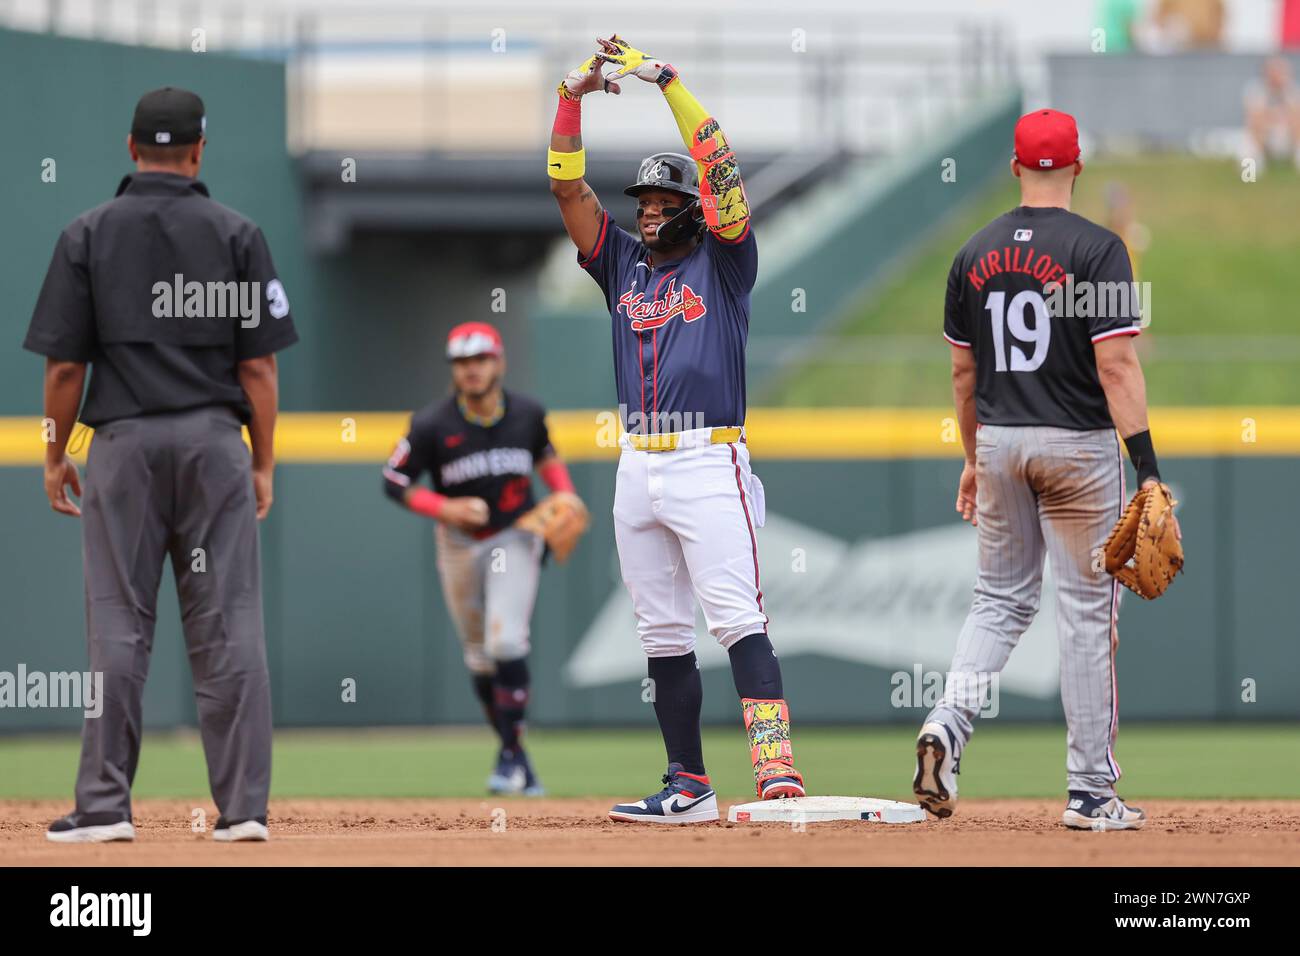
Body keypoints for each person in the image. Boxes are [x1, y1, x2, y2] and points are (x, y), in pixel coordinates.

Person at [25, 87, 298, 843]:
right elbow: (260, 373)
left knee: (118, 624)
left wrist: (55, 456)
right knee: (230, 623)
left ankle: (106, 808)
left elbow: (61, 371)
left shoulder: (87, 232)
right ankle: (243, 812)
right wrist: (264, 462)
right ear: (200, 150)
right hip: (214, 445)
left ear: (131, 145)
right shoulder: (237, 232)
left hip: (122, 447)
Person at [547, 36, 805, 825]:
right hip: (637, 463)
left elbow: (720, 164)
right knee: (660, 633)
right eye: (643, 205)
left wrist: (669, 82)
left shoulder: (726, 262)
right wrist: (571, 96)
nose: (647, 214)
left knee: (737, 621)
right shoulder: (621, 263)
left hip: (707, 456)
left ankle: (776, 771)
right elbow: (565, 189)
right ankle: (686, 782)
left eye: (662, 205)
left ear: (692, 211)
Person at [912, 109, 1180, 832]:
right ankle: (1091, 792)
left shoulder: (973, 253)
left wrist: (972, 459)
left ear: (1015, 168)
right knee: (1087, 614)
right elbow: (1117, 365)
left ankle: (946, 722)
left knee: (999, 600)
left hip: (1000, 441)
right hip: (1079, 446)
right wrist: (1149, 470)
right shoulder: (1098, 250)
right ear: (1078, 168)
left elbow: (963, 375)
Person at [382, 321, 583, 796]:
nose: (471, 370)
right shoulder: (432, 423)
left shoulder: (527, 413)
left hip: (515, 534)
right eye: (462, 362)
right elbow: (392, 480)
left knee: (507, 642)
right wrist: (443, 506)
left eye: (480, 360)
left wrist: (567, 495)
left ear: (499, 361)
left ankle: (510, 757)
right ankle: (518, 757)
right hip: (458, 542)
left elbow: (546, 458)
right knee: (479, 657)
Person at [1244, 57, 1300, 173]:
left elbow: (1296, 121)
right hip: (1264, 136)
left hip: (1286, 137)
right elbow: (1254, 122)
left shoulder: (1292, 91)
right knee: (1248, 150)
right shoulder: (1256, 90)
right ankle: (1250, 180)